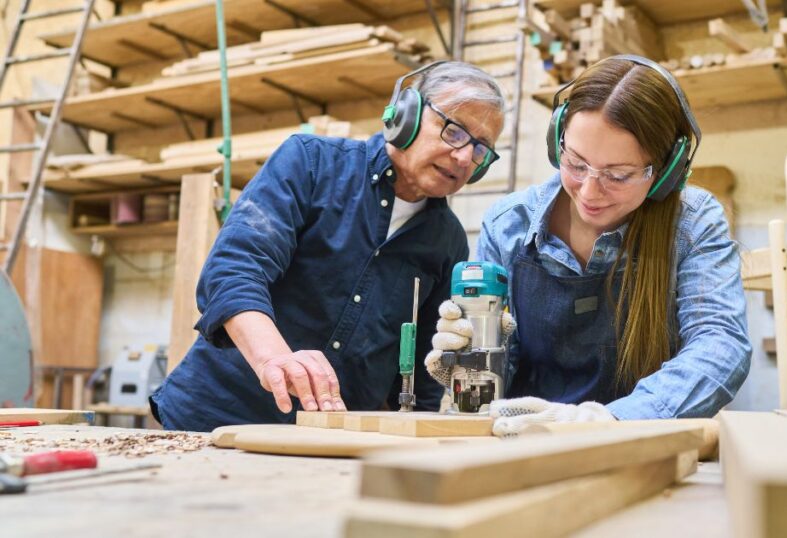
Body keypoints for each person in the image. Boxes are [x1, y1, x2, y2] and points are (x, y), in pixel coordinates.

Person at [150, 61, 505, 432]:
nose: (465, 157)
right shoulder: (311, 162)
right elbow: (233, 272)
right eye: (454, 132)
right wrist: (274, 359)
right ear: (407, 115)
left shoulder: (447, 240)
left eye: (481, 149)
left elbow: (423, 369)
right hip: (214, 419)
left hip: (327, 442)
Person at [427, 55, 751, 436]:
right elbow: (503, 369)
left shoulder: (692, 224)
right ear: (557, 141)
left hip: (640, 441)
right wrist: (468, 360)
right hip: (527, 439)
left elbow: (720, 342)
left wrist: (610, 419)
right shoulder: (508, 225)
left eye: (618, 175)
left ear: (666, 171)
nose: (590, 192)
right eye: (577, 164)